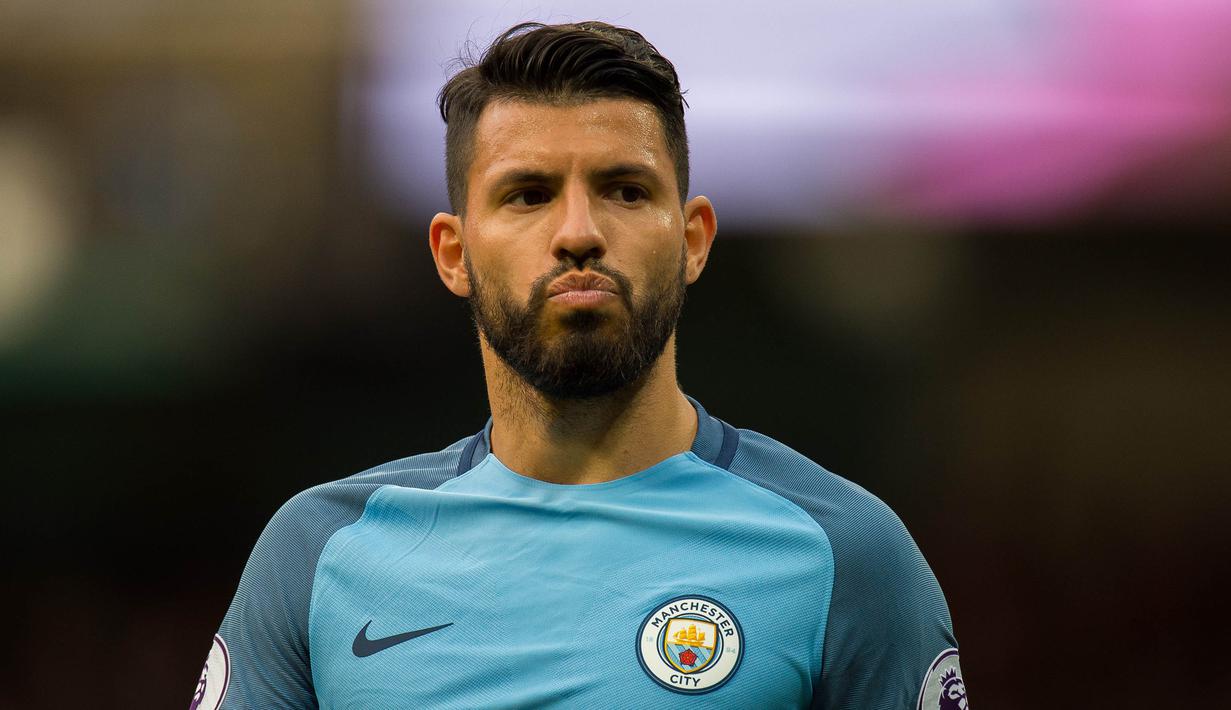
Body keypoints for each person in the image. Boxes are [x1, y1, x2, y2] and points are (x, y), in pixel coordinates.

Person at [192, 20, 966, 710]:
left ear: (692, 239)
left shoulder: (846, 556)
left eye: (624, 190)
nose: (578, 232)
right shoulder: (319, 555)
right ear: (453, 253)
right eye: (527, 195)